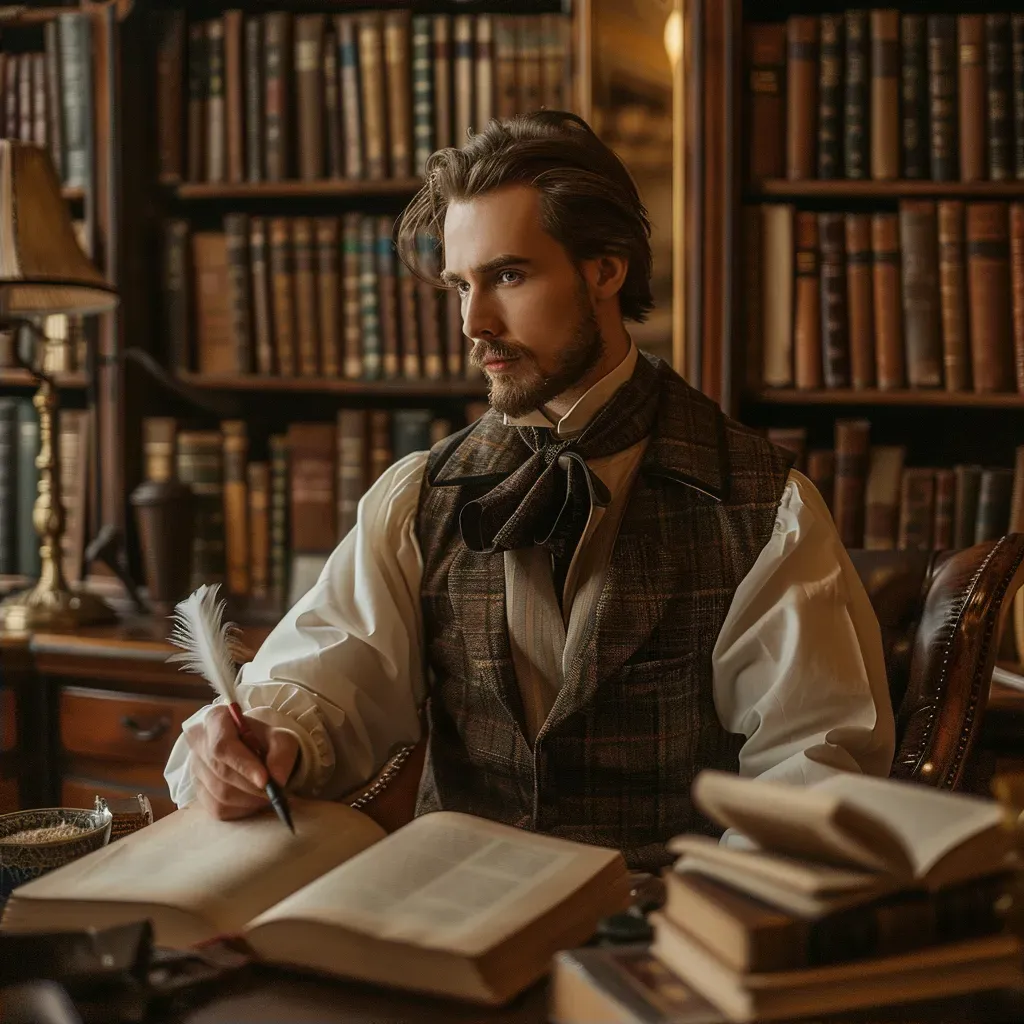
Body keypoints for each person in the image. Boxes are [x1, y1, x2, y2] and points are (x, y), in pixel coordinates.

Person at [164, 111, 894, 872]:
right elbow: (321, 681)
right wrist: (265, 739)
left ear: (605, 270)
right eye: (460, 285)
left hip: (655, 942)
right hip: (448, 921)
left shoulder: (762, 508)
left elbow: (810, 784)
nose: (475, 323)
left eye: (509, 276)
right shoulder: (420, 497)